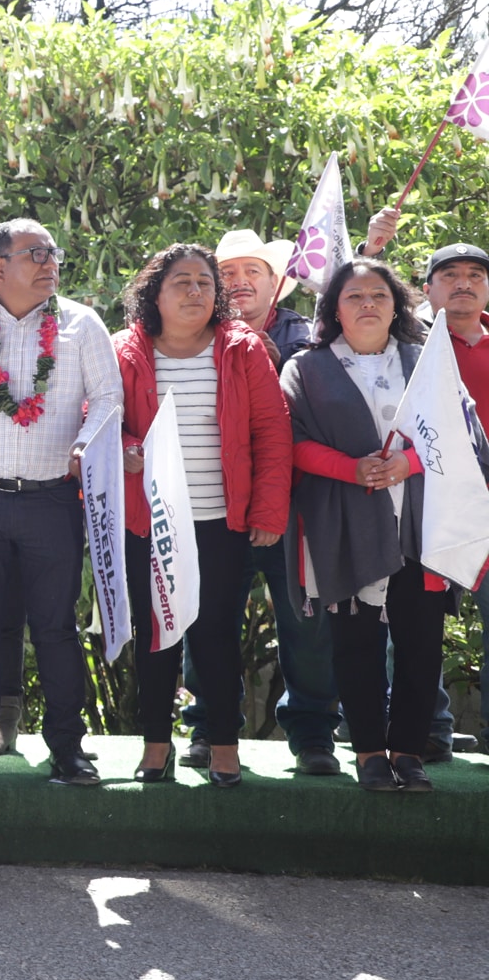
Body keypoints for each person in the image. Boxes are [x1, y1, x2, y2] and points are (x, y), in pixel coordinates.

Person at [0, 218, 121, 785]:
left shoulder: (82, 325)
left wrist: (87, 444)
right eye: (35, 253)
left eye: (52, 252)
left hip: (53, 500)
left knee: (57, 628)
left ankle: (68, 749)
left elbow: (109, 396)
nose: (49, 262)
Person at [114, 245, 292, 786]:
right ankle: (155, 746)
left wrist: (266, 511)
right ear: (155, 294)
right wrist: (124, 447)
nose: (195, 292)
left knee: (214, 632)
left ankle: (223, 745)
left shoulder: (243, 349)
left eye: (204, 283)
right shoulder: (124, 350)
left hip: (220, 522)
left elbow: (272, 433)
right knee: (155, 634)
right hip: (149, 522)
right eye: (181, 282)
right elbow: (98, 419)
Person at [281, 258, 460, 793]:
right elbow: (294, 442)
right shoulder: (306, 368)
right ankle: (368, 754)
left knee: (422, 643)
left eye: (378, 295)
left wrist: (412, 462)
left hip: (422, 524)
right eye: (354, 296)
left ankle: (408, 752)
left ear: (396, 304)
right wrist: (351, 468)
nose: (367, 304)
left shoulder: (427, 359)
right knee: (355, 644)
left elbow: (457, 430)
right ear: (334, 308)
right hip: (344, 523)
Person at [169, 229, 340, 775]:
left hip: (294, 508)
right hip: (214, 506)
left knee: (304, 622)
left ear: (276, 282)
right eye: (230, 273)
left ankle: (314, 735)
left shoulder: (313, 336)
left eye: (254, 271)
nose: (241, 282)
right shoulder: (197, 334)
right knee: (205, 620)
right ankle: (208, 728)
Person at [422, 242, 489, 726]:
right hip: (425, 506)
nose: (463, 282)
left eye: (475, 275)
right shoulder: (406, 346)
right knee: (410, 627)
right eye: (449, 274)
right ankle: (422, 730)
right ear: (426, 290)